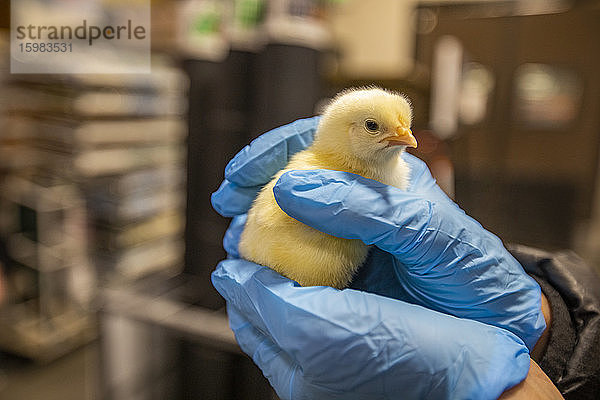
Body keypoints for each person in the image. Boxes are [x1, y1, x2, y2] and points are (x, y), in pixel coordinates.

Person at [211, 117, 599, 399]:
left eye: (403, 126)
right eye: (375, 127)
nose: (404, 135)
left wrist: (520, 386)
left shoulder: (382, 177)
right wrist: (550, 331)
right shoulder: (320, 170)